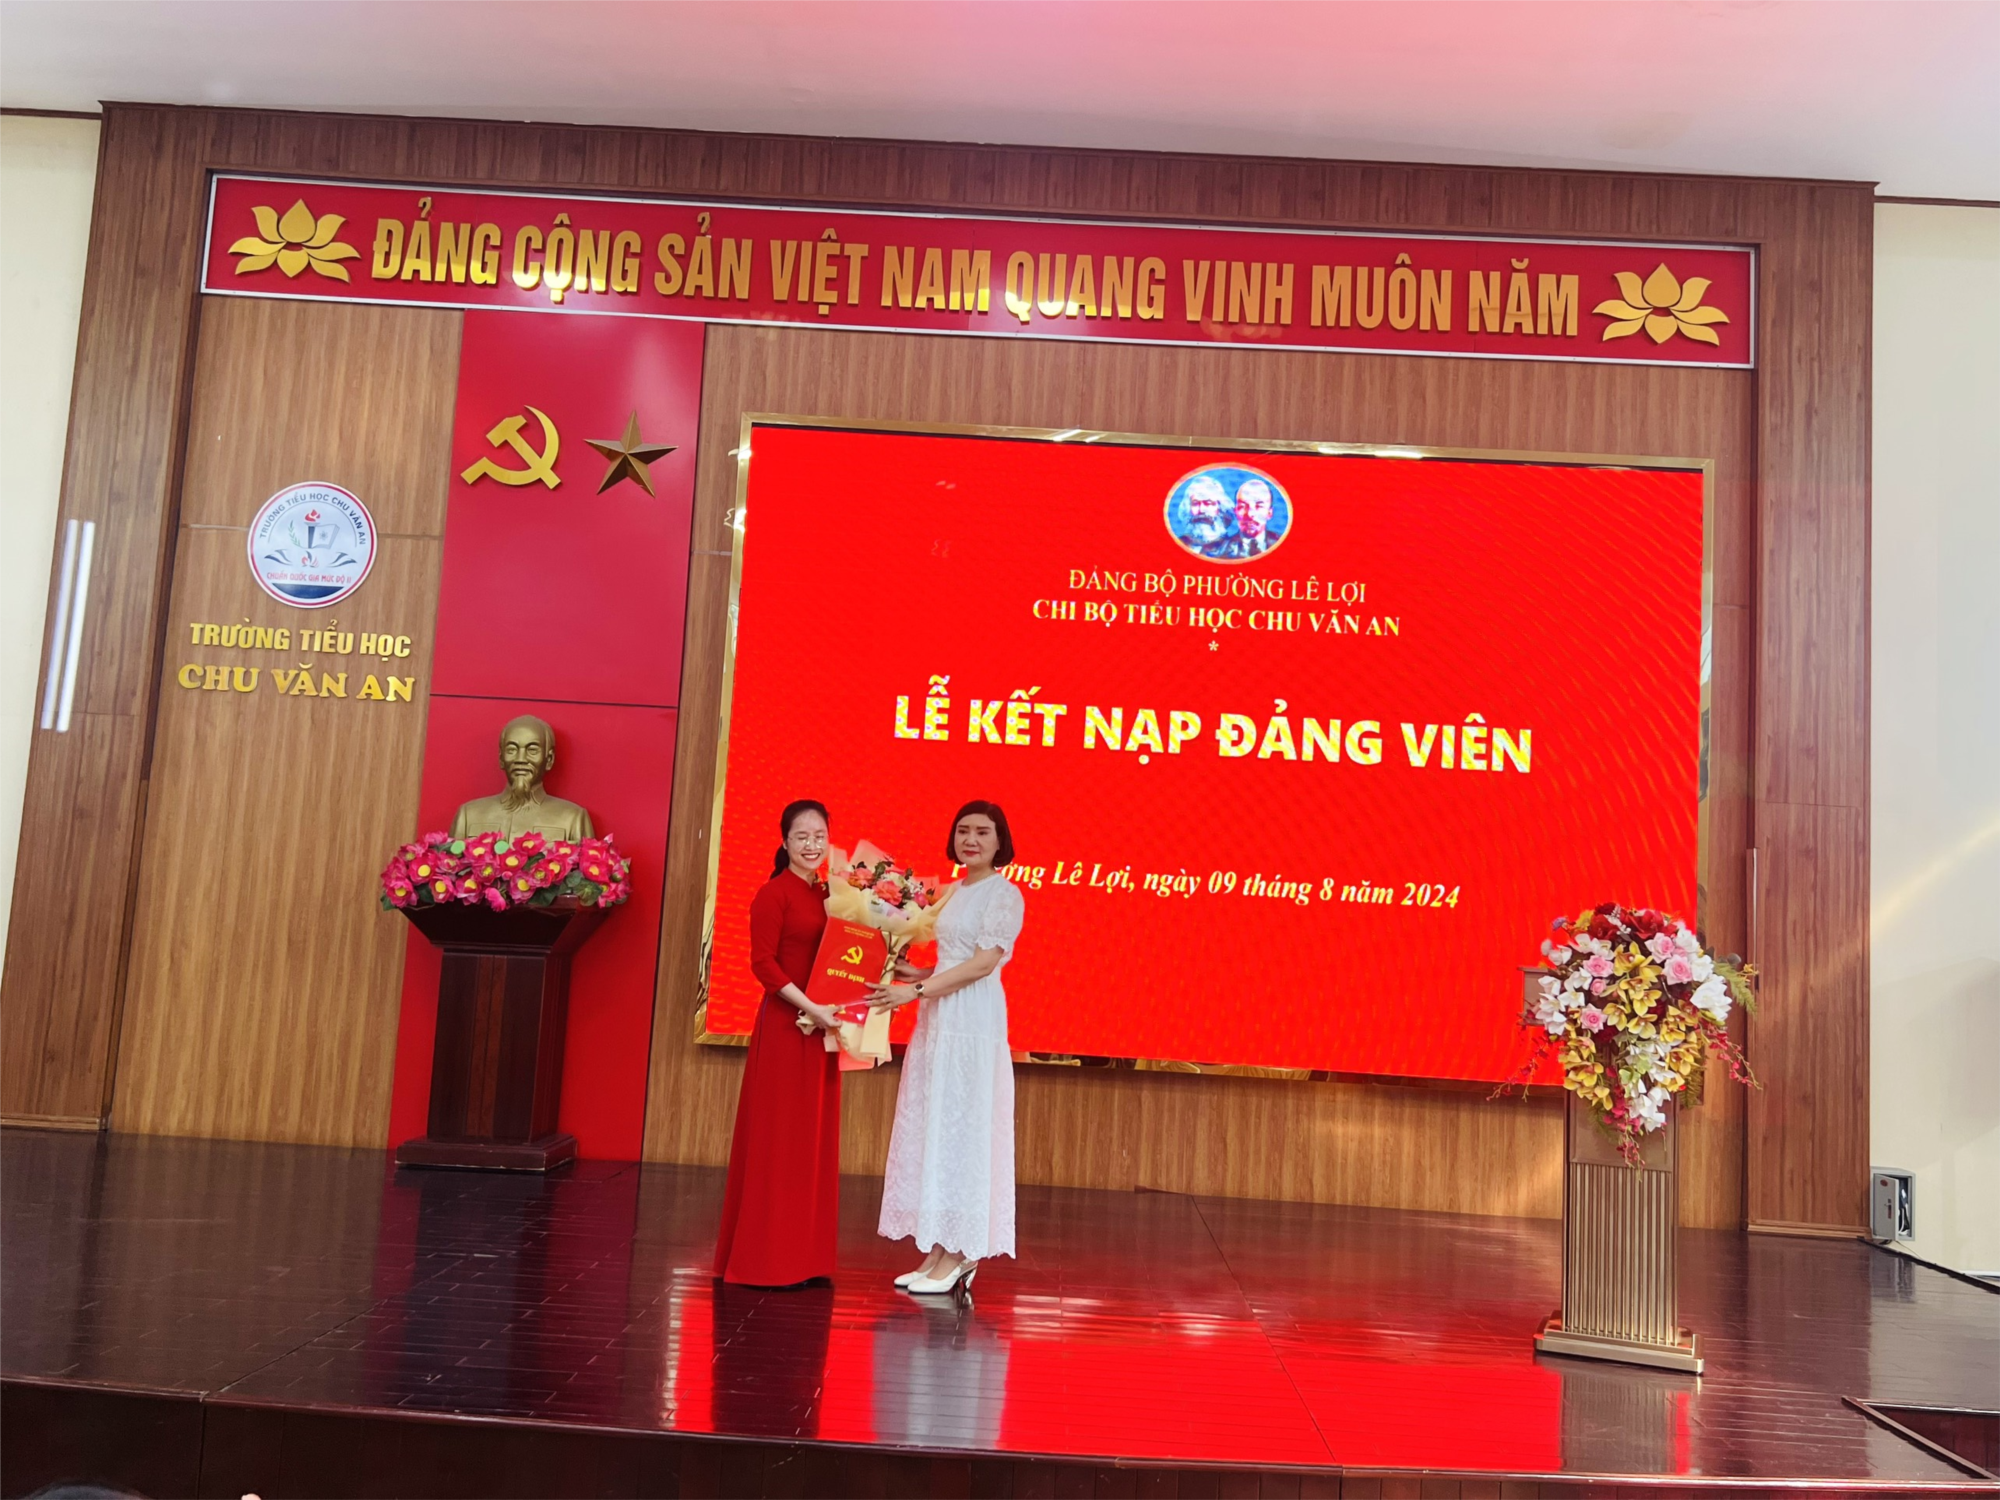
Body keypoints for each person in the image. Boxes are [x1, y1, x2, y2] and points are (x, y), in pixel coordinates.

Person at [868, 800, 1026, 1297]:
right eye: (963, 831)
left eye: (982, 832)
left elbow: (981, 965)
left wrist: (914, 991)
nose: (971, 840)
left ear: (1000, 842)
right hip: (939, 1017)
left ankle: (963, 1251)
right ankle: (939, 1247)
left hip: (973, 1021)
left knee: (965, 1129)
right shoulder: (954, 891)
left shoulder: (1005, 894)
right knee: (938, 1125)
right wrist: (913, 972)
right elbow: (949, 961)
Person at [713, 800, 843, 1286]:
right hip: (789, 1029)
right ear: (785, 841)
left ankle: (806, 1258)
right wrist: (812, 1008)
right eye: (802, 836)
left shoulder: (832, 894)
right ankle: (768, 1260)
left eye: (819, 836)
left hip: (822, 1029)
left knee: (811, 1144)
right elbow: (763, 966)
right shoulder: (773, 894)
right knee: (779, 1141)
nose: (812, 845)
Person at [1203, 476, 1284, 559]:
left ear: (1269, 513)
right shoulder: (1216, 552)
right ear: (1236, 511)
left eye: (1259, 506)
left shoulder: (1285, 545)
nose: (1250, 514)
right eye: (1243, 506)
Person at [1174, 472, 1232, 552]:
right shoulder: (1175, 545)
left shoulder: (1233, 549)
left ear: (1220, 509)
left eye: (1208, 503)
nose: (1201, 510)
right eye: (1195, 504)